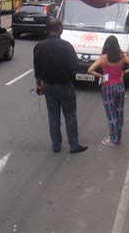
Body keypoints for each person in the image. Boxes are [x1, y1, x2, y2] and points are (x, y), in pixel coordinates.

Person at [33, 18, 88, 154]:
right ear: (60, 29)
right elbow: (75, 66)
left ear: (47, 29)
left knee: (53, 115)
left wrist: (38, 85)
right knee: (70, 115)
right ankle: (73, 145)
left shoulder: (39, 47)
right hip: (64, 86)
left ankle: (56, 145)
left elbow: (37, 69)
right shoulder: (66, 46)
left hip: (48, 87)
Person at [88, 36, 129, 147]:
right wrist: (124, 72)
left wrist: (101, 76)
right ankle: (118, 137)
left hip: (108, 87)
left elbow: (90, 70)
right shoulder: (122, 56)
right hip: (120, 86)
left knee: (111, 114)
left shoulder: (103, 58)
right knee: (119, 112)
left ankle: (113, 139)